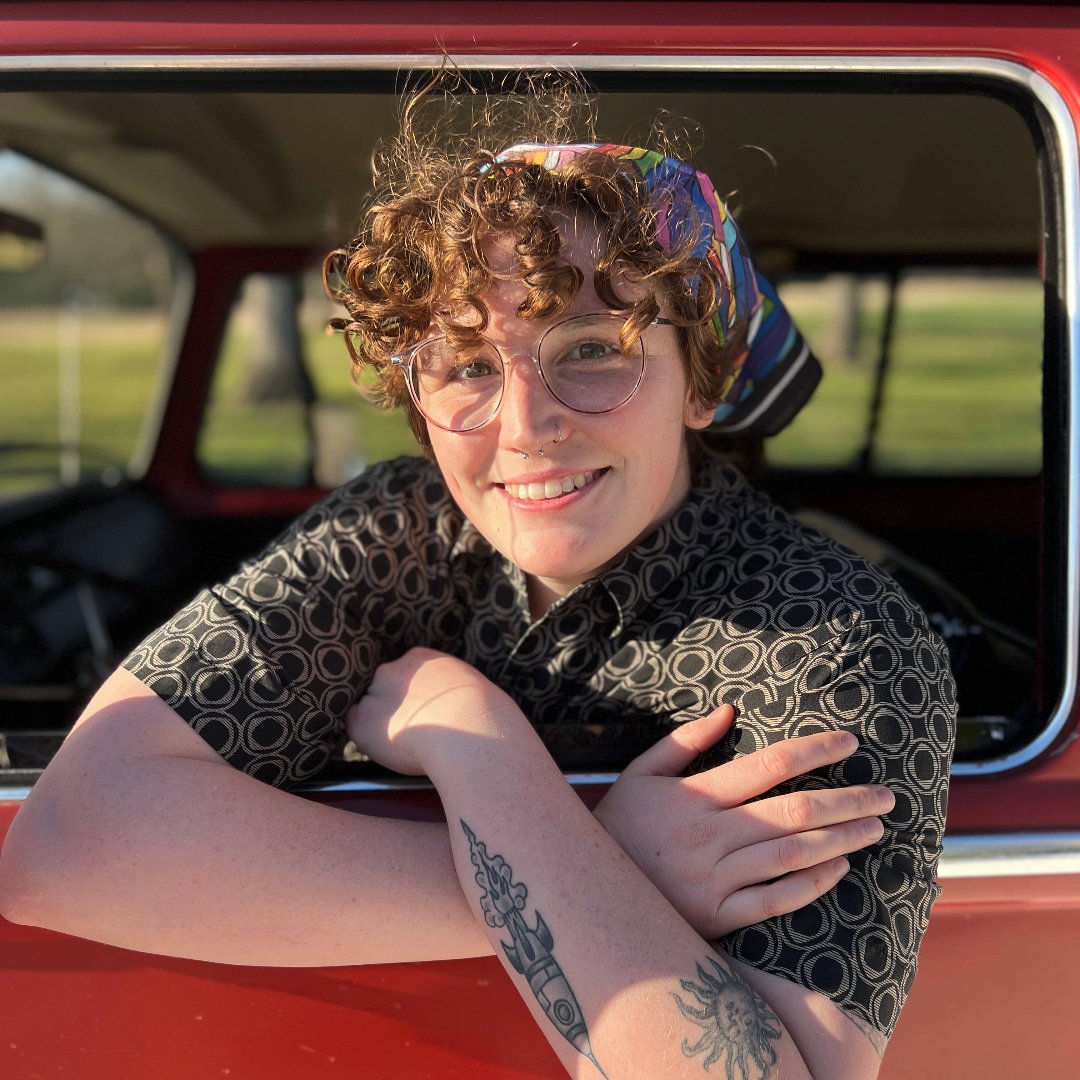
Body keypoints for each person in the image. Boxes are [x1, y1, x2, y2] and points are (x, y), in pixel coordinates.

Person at [0, 81, 955, 1079]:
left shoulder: (832, 638)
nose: (525, 424)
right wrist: (606, 858)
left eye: (591, 349)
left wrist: (479, 746)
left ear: (702, 380)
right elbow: (66, 844)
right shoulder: (395, 526)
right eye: (464, 364)